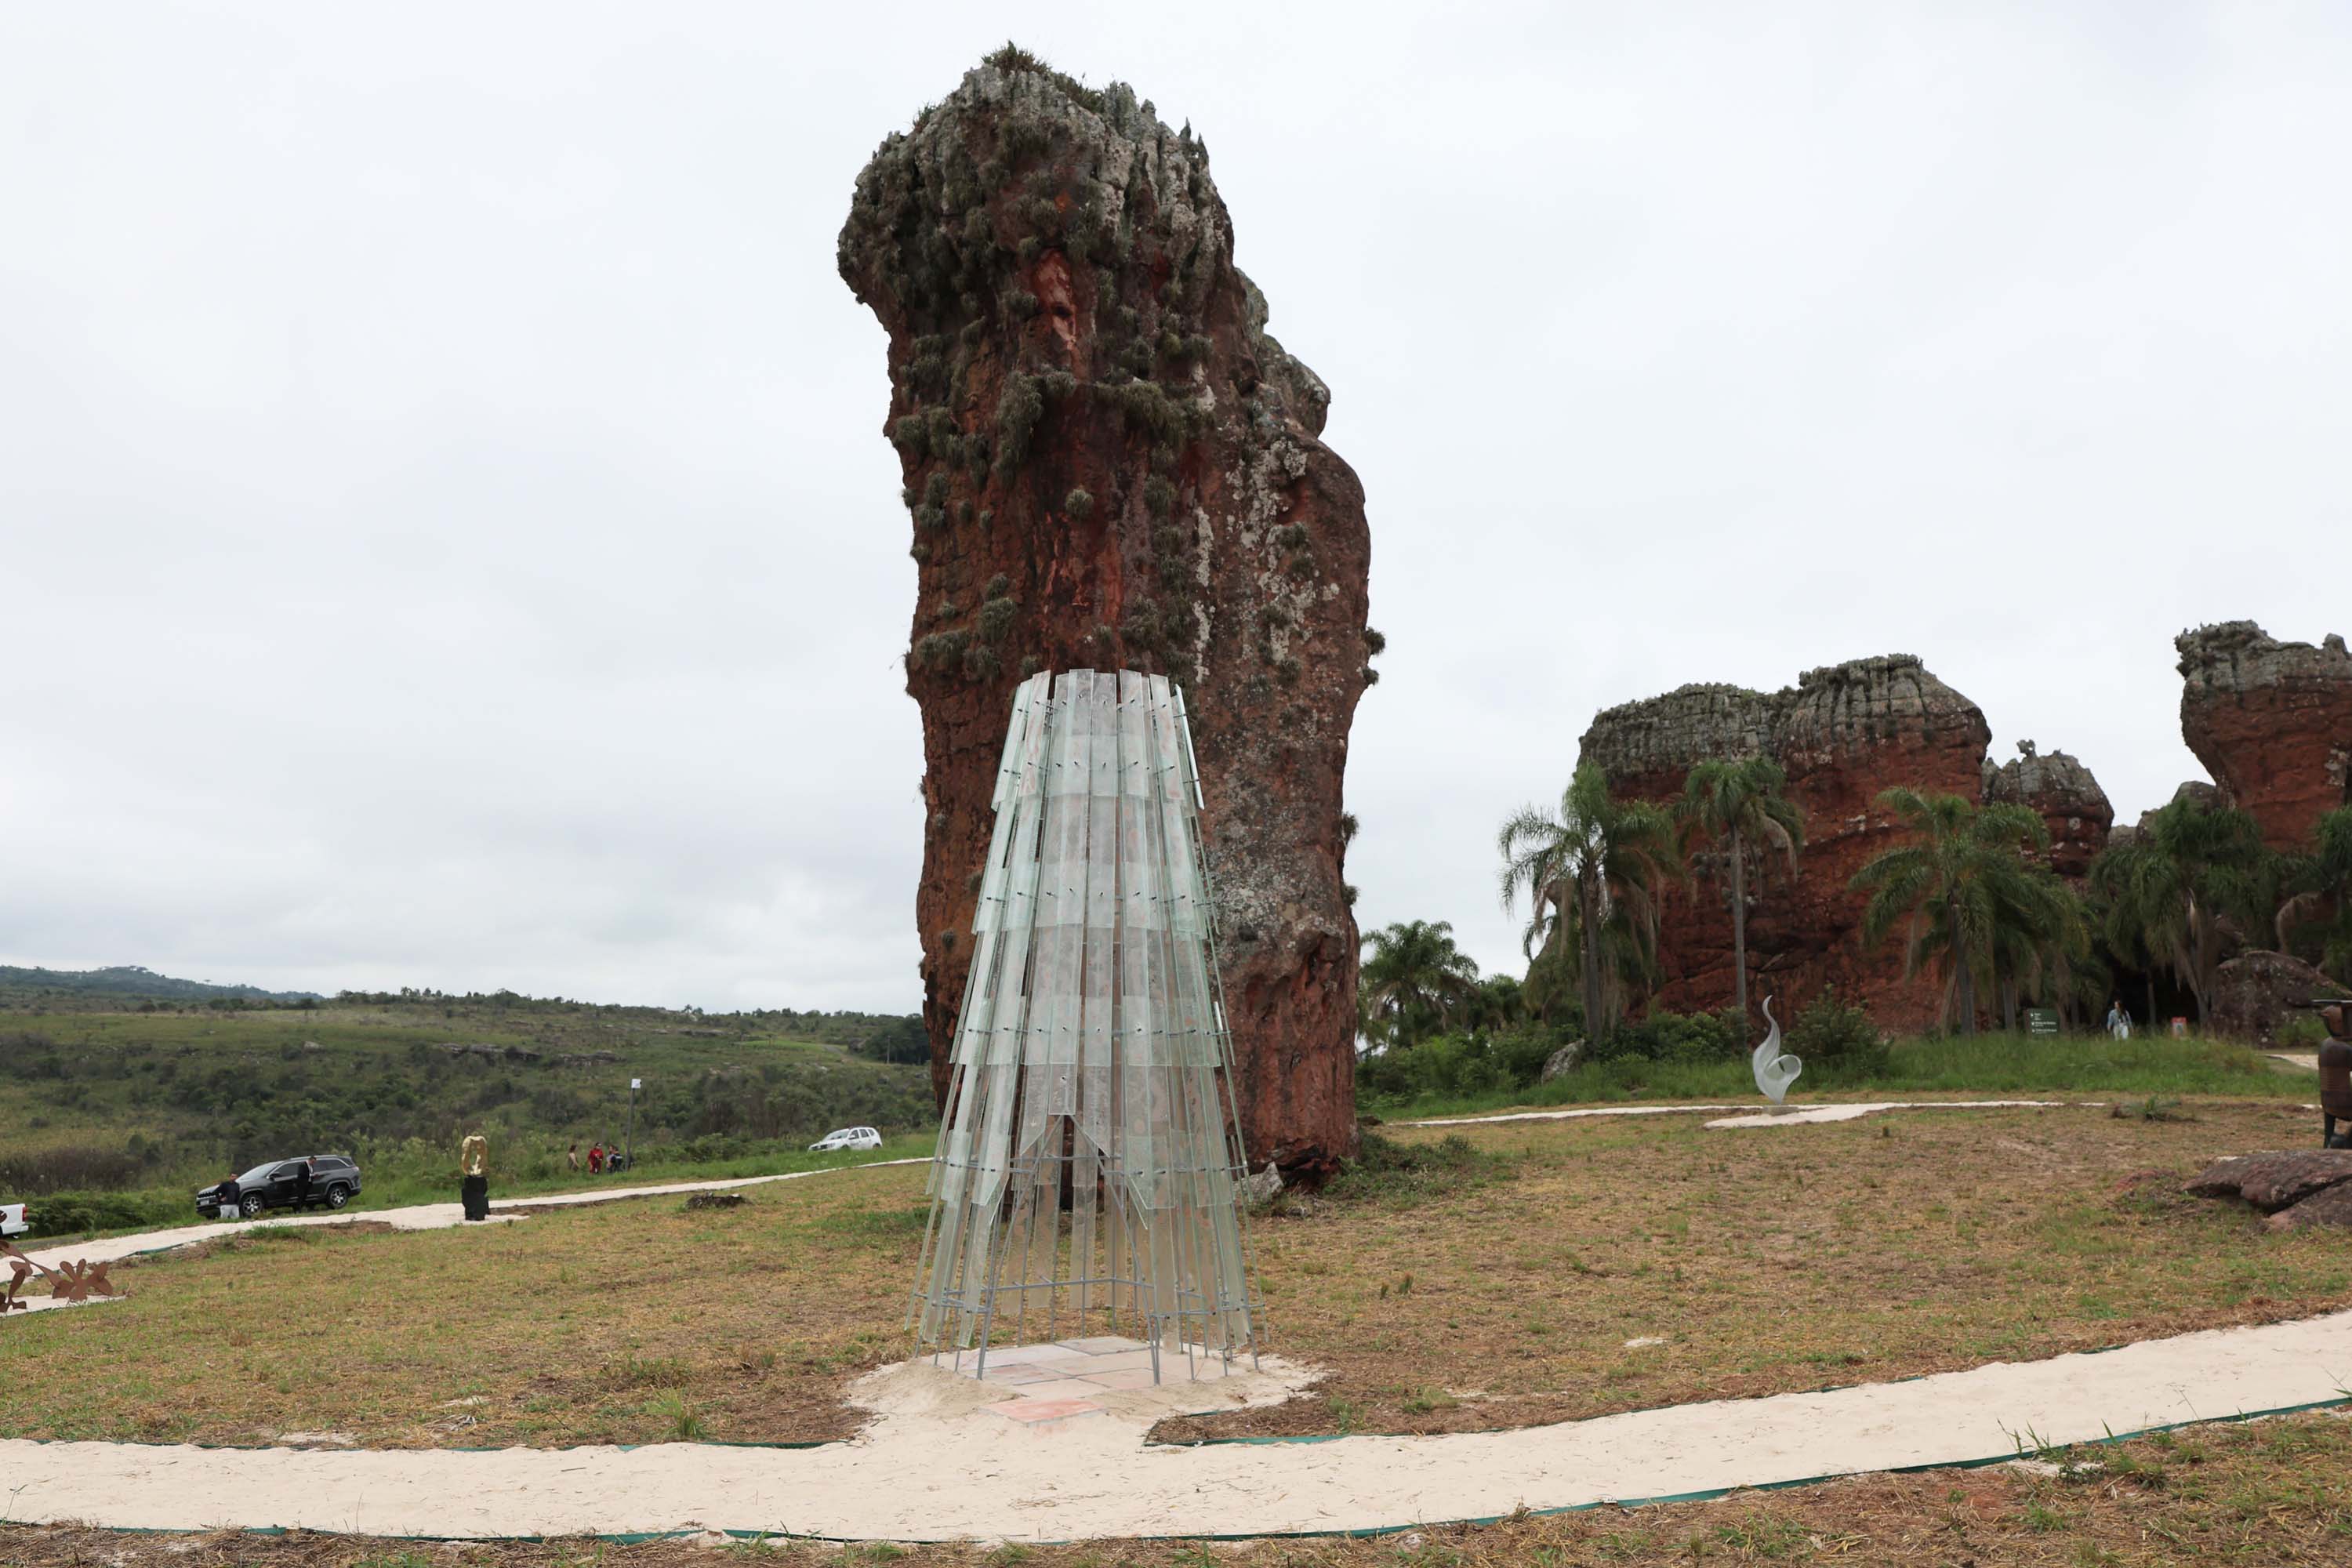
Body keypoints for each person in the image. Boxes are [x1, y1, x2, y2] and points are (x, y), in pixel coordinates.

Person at [2319, 1003, 2352, 1149]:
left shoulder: (2326, 1044)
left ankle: (2331, 1142)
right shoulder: (2343, 1048)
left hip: (2328, 1102)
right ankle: (2346, 1143)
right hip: (2345, 1104)